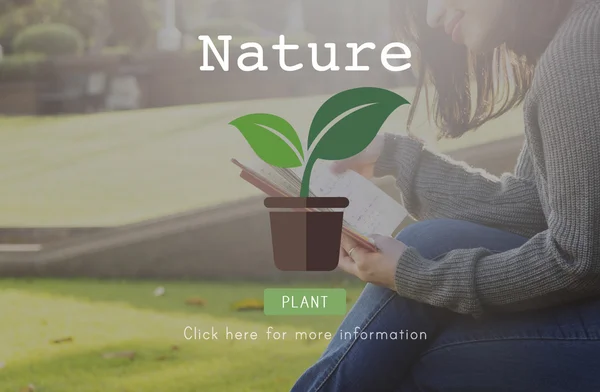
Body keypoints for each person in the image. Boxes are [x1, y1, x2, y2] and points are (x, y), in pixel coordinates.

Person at [292, 0, 600, 391]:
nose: (433, 15)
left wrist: (414, 276)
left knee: (421, 353)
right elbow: (536, 210)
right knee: (429, 247)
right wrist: (392, 155)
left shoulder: (579, 51)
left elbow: (579, 259)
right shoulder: (575, 39)